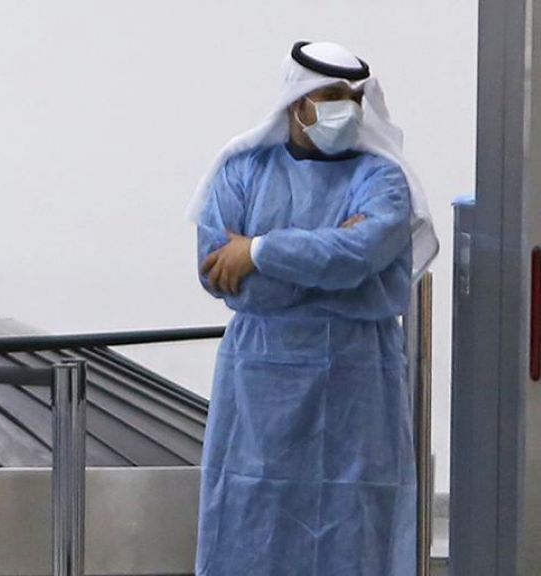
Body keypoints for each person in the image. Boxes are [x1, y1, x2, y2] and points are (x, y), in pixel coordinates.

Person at [186, 41, 438, 575]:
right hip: (260, 389)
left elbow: (360, 253)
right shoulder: (241, 171)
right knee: (252, 521)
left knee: (355, 526)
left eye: (353, 97)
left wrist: (258, 251)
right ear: (297, 101)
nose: (344, 108)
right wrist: (331, 263)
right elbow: (226, 280)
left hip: (358, 386)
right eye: (330, 96)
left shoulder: (383, 179)